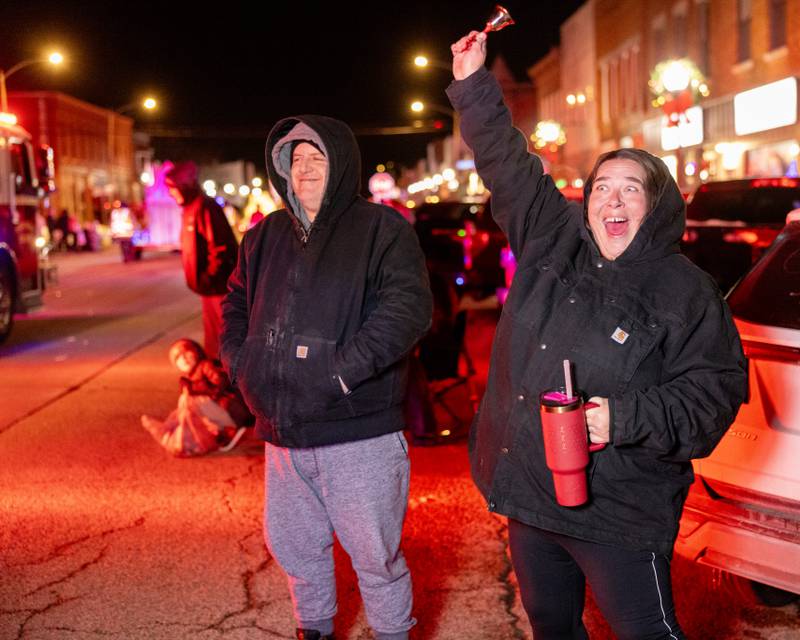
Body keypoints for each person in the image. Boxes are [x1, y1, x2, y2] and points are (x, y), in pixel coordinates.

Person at [447, 31, 748, 639]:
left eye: (630, 189)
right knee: (551, 626)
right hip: (531, 494)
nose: (612, 199)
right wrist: (474, 81)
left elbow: (713, 396)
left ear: (656, 206)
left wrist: (622, 418)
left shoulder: (684, 290)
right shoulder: (551, 241)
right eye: (602, 188)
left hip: (619, 512)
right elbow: (507, 164)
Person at [220, 115, 432, 640]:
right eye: (296, 159)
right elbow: (236, 304)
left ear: (341, 164)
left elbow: (406, 311)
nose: (306, 168)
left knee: (375, 558)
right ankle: (312, 630)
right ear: (282, 170)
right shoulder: (264, 235)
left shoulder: (383, 230)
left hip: (359, 431)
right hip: (283, 435)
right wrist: (241, 364)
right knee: (296, 549)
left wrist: (340, 374)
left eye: (318, 156)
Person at [165, 161, 238, 360]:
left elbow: (220, 248)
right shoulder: (190, 209)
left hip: (219, 289)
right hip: (208, 289)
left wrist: (210, 278)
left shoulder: (205, 207)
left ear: (185, 185)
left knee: (223, 337)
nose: (171, 194)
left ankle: (226, 383)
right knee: (214, 339)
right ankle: (217, 378)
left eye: (173, 188)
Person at [141, 338, 252, 456]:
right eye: (178, 358)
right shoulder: (190, 378)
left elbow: (221, 382)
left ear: (196, 353)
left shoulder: (206, 366)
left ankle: (224, 429)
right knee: (186, 404)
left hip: (233, 411)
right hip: (222, 412)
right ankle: (176, 434)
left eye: (186, 353)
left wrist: (194, 388)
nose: (183, 359)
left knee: (187, 399)